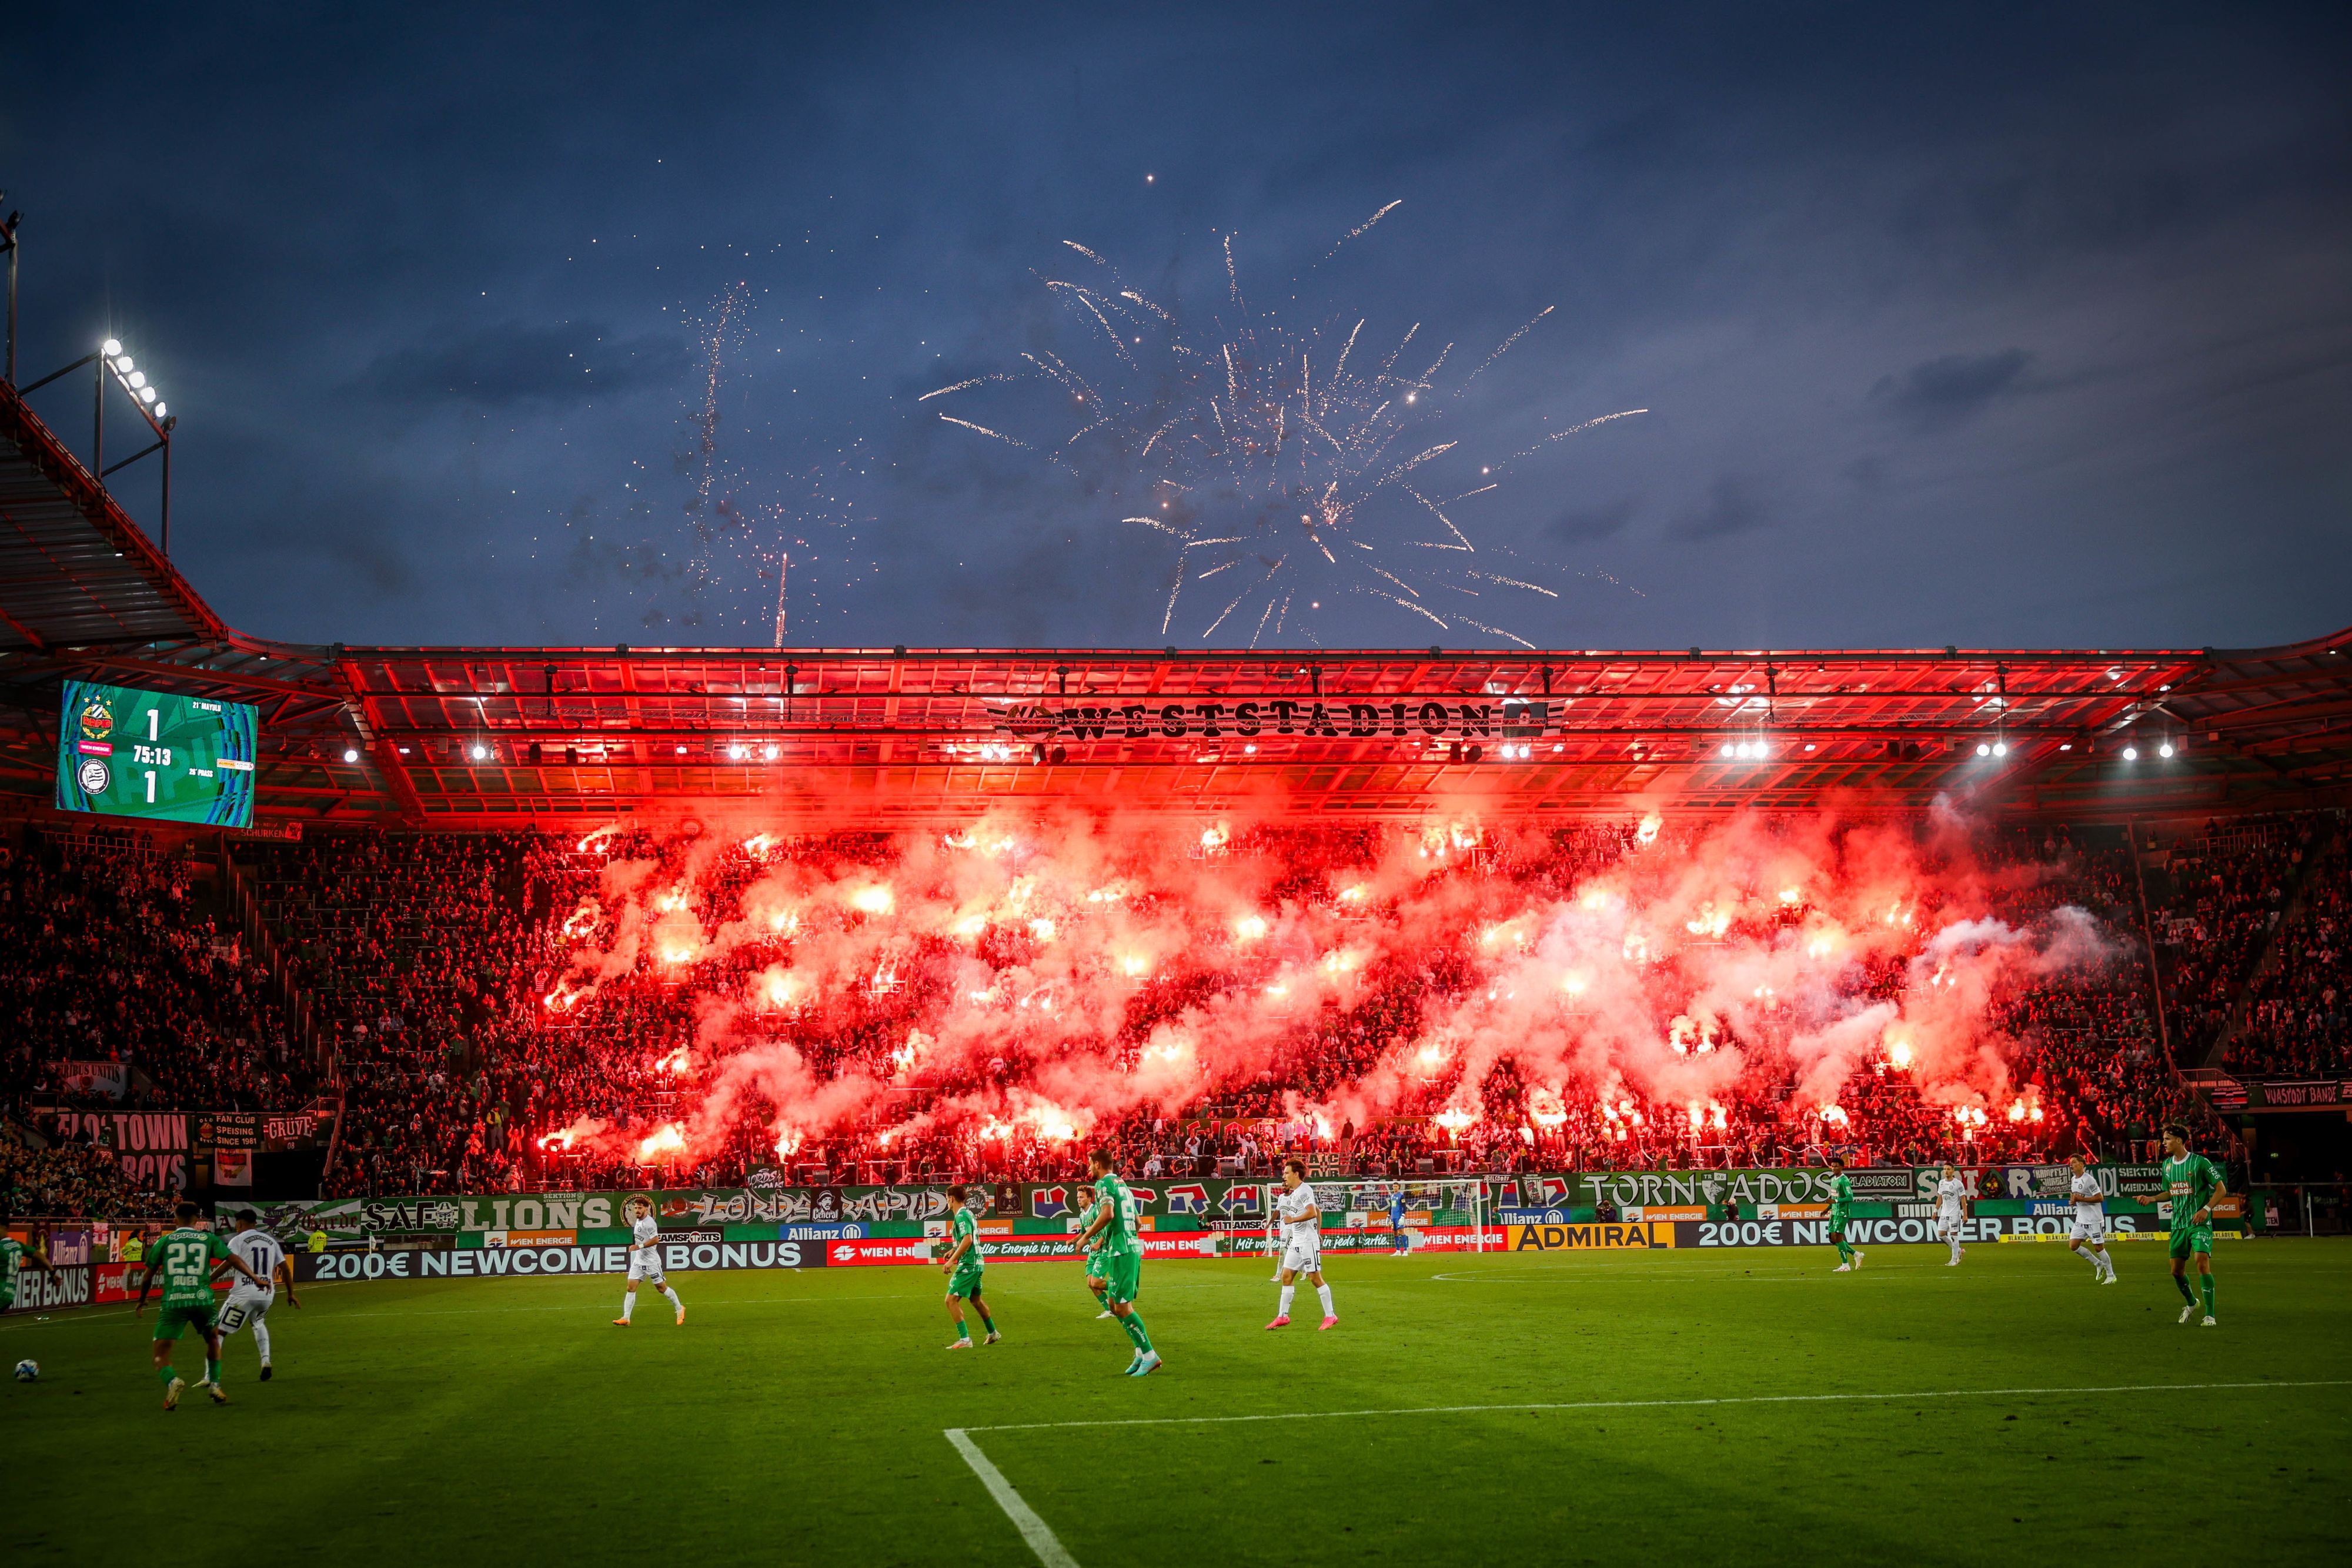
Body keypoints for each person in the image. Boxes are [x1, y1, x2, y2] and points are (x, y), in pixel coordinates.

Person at [133, 1200, 263, 1409]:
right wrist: (255, 1278)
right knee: (213, 1340)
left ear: (175, 1218)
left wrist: (141, 1300)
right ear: (197, 1220)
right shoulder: (208, 1239)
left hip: (173, 1302)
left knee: (160, 1355)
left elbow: (148, 1276)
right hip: (202, 1300)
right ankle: (215, 1385)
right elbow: (233, 1259)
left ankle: (172, 1381)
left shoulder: (164, 1242)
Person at [1076, 1148, 1161, 1376]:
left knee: (1122, 1306)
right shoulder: (1124, 1186)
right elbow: (1139, 1222)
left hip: (1121, 1250)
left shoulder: (1104, 1184)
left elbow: (1108, 1214)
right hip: (1127, 1248)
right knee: (1114, 1304)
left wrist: (1085, 1237)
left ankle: (1150, 1355)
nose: (1089, 1168)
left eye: (1090, 1164)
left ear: (1097, 1164)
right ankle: (1140, 1353)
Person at [219, 1209, 299, 1379]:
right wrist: (291, 1294)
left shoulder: (238, 1240)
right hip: (266, 1295)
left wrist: (209, 1279)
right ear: (255, 1223)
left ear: (240, 1223)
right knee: (258, 1323)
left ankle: (209, 1377)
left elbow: (228, 1263)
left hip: (244, 1293)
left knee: (219, 1332)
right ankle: (266, 1360)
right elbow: (285, 1268)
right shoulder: (271, 1241)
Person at [2161, 1124, 2226, 1326]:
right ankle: (2191, 1303)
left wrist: (2205, 1210)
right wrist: (2151, 1198)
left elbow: (2221, 1189)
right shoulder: (2167, 1166)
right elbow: (2169, 1192)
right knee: (2176, 1272)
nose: (2164, 1143)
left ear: (2179, 1140)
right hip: (2178, 1225)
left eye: (2167, 1139)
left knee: (2201, 1261)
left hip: (2199, 1223)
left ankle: (2210, 1315)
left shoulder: (2200, 1163)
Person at [1267, 1159, 1337, 1331]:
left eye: (1287, 1173)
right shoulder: (1295, 1192)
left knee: (1315, 1278)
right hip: (1296, 1242)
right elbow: (1317, 1210)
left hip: (1307, 1242)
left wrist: (1294, 1220)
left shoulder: (1304, 1190)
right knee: (1286, 1277)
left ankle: (1330, 1315)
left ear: (1296, 1174)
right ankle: (1283, 1316)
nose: (1284, 1176)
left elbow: (1313, 1212)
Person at [938, 1185, 998, 1349]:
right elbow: (966, 1239)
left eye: (947, 1198)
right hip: (977, 1263)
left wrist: (952, 1261)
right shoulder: (968, 1213)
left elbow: (968, 1240)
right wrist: (953, 1251)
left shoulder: (961, 1216)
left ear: (951, 1198)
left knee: (951, 1300)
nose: (947, 1201)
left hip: (969, 1264)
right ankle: (993, 1333)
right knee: (976, 1300)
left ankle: (965, 1340)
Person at [612, 1196, 684, 1327]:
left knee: (662, 1288)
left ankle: (680, 1309)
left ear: (646, 1208)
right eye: (635, 1208)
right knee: (631, 1288)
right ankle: (626, 1318)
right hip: (639, 1261)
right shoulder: (638, 1221)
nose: (637, 1210)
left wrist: (638, 1247)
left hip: (651, 1262)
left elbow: (656, 1240)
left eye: (640, 1208)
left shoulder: (649, 1223)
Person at [2066, 1155, 2117, 1284]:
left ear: (2082, 1164)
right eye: (2070, 1163)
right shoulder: (2073, 1179)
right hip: (2081, 1219)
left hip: (2094, 1220)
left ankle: (2111, 1275)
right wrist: (2073, 1201)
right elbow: (2077, 1197)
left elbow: (2100, 1198)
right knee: (2073, 1246)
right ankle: (2098, 1264)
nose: (2071, 1165)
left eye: (2074, 1162)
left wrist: (2080, 1199)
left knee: (2099, 1248)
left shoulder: (2089, 1180)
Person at [1, 1211, 55, 1314]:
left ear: (4, 1227)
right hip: (9, 1295)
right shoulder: (18, 1245)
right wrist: (52, 1273)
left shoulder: (1, 1248)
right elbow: (39, 1255)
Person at [1074, 1183, 1112, 1319]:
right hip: (1093, 1253)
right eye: (1078, 1197)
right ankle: (1110, 1310)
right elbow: (1084, 1233)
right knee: (1090, 1283)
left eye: (1082, 1197)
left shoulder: (1096, 1211)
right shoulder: (1082, 1215)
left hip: (1104, 1250)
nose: (1079, 1199)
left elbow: (1108, 1226)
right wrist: (1074, 1241)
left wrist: (1098, 1242)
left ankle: (1119, 1288)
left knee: (1096, 1282)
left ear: (1090, 1198)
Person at [1826, 1158, 1865, 1272]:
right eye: (1832, 1166)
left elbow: (1850, 1197)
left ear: (1842, 1167)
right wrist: (1827, 1208)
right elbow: (1834, 1198)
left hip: (1842, 1212)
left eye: (1836, 1166)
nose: (1834, 1168)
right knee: (1833, 1239)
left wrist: (1837, 1202)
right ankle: (1856, 1254)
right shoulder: (1833, 1180)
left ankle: (1845, 1265)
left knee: (1838, 1238)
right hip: (1834, 1212)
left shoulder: (1844, 1180)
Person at [1934, 1163, 1969, 1266]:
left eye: (1948, 1169)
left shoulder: (1958, 1184)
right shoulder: (1941, 1183)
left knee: (1954, 1236)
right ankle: (1958, 1250)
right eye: (1944, 1169)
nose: (1946, 1171)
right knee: (1941, 1235)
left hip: (1954, 1214)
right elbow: (1940, 1197)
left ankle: (1954, 1260)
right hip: (1944, 1213)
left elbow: (1963, 1200)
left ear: (1953, 1171)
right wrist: (1936, 1210)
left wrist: (1965, 1215)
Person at [1389, 1186, 1411, 1257]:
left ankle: (1405, 1251)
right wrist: (1388, 1216)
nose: (1395, 1188)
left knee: (1402, 1232)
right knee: (1395, 1233)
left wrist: (1403, 1216)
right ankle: (1398, 1251)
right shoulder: (1392, 1196)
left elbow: (1404, 1207)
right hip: (1393, 1218)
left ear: (1399, 1187)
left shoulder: (1401, 1196)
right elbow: (1391, 1207)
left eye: (1396, 1187)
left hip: (1399, 1217)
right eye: (1394, 1186)